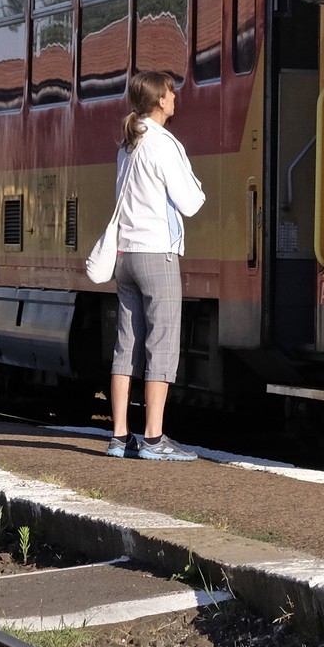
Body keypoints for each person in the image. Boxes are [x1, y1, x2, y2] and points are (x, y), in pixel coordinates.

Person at [105, 69, 206, 461]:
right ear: (159, 100)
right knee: (162, 343)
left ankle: (119, 436)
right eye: (171, 92)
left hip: (125, 255)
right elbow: (191, 202)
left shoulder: (128, 144)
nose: (175, 97)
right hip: (156, 254)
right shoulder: (163, 143)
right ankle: (152, 438)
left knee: (126, 344)